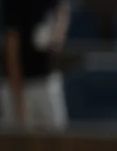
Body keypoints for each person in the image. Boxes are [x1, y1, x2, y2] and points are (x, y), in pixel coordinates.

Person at [0, 0, 69, 130]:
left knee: (55, 136)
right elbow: (12, 47)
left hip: (47, 82)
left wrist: (58, 34)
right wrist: (18, 99)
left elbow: (62, 8)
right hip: (19, 86)